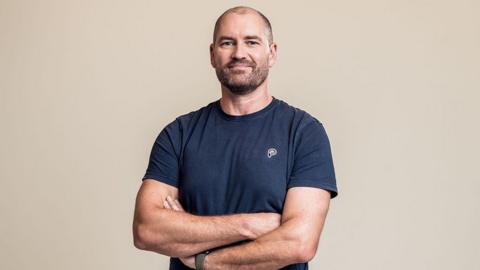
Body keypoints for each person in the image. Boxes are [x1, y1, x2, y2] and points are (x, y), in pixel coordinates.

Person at [133, 6, 338, 270]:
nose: (239, 53)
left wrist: (205, 262)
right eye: (227, 43)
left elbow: (299, 242)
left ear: (272, 52)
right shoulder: (179, 134)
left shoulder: (303, 132)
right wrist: (249, 225)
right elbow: (146, 229)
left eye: (251, 42)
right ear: (212, 55)